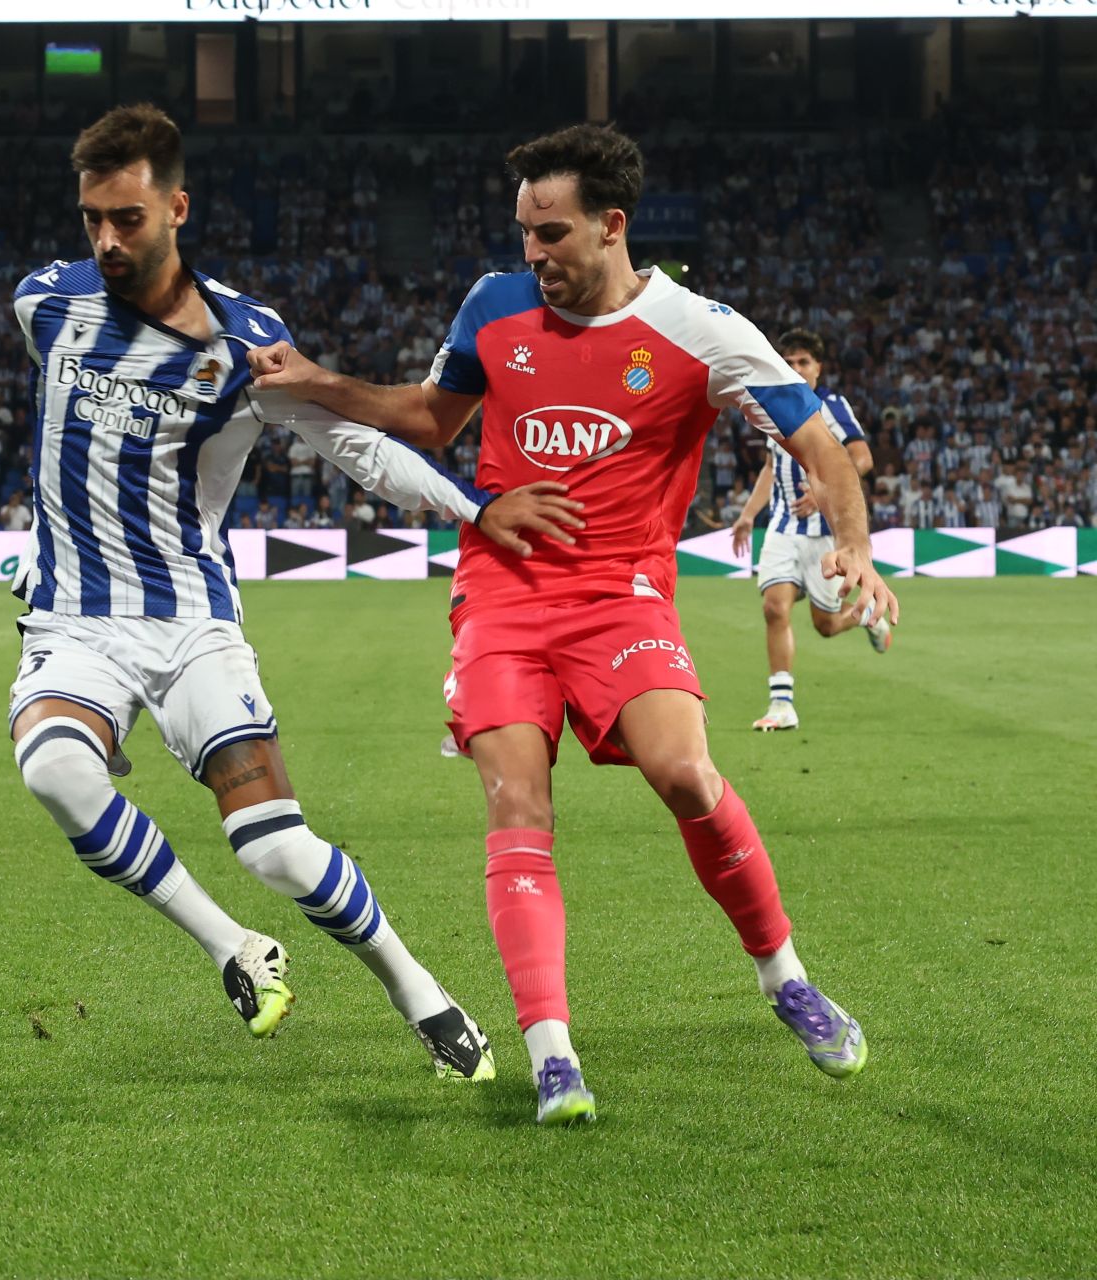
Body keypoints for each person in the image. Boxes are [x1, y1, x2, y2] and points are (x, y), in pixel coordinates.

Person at [247, 123, 898, 1125]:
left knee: (685, 772)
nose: (533, 253)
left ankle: (785, 978)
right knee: (517, 802)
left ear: (612, 225)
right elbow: (429, 418)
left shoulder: (703, 329)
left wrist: (853, 543)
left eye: (550, 233)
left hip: (621, 595)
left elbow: (820, 443)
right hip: (502, 594)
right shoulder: (493, 304)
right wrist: (316, 381)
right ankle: (552, 1053)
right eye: (524, 231)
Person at [10, 104, 579, 1079]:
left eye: (128, 219)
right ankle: (235, 946)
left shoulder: (244, 341)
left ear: (176, 209)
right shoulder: (45, 304)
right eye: (92, 218)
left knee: (272, 845)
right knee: (55, 771)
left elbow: (353, 446)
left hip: (191, 624)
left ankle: (420, 991)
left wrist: (475, 508)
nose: (107, 240)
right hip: (73, 622)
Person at [730, 328, 891, 732]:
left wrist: (825, 494)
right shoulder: (772, 405)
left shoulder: (831, 406)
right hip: (782, 528)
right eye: (789, 362)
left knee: (826, 625)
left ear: (818, 367)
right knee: (774, 607)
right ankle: (781, 704)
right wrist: (748, 514)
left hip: (823, 535)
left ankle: (868, 617)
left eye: (804, 362)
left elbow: (862, 457)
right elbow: (771, 467)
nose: (797, 368)